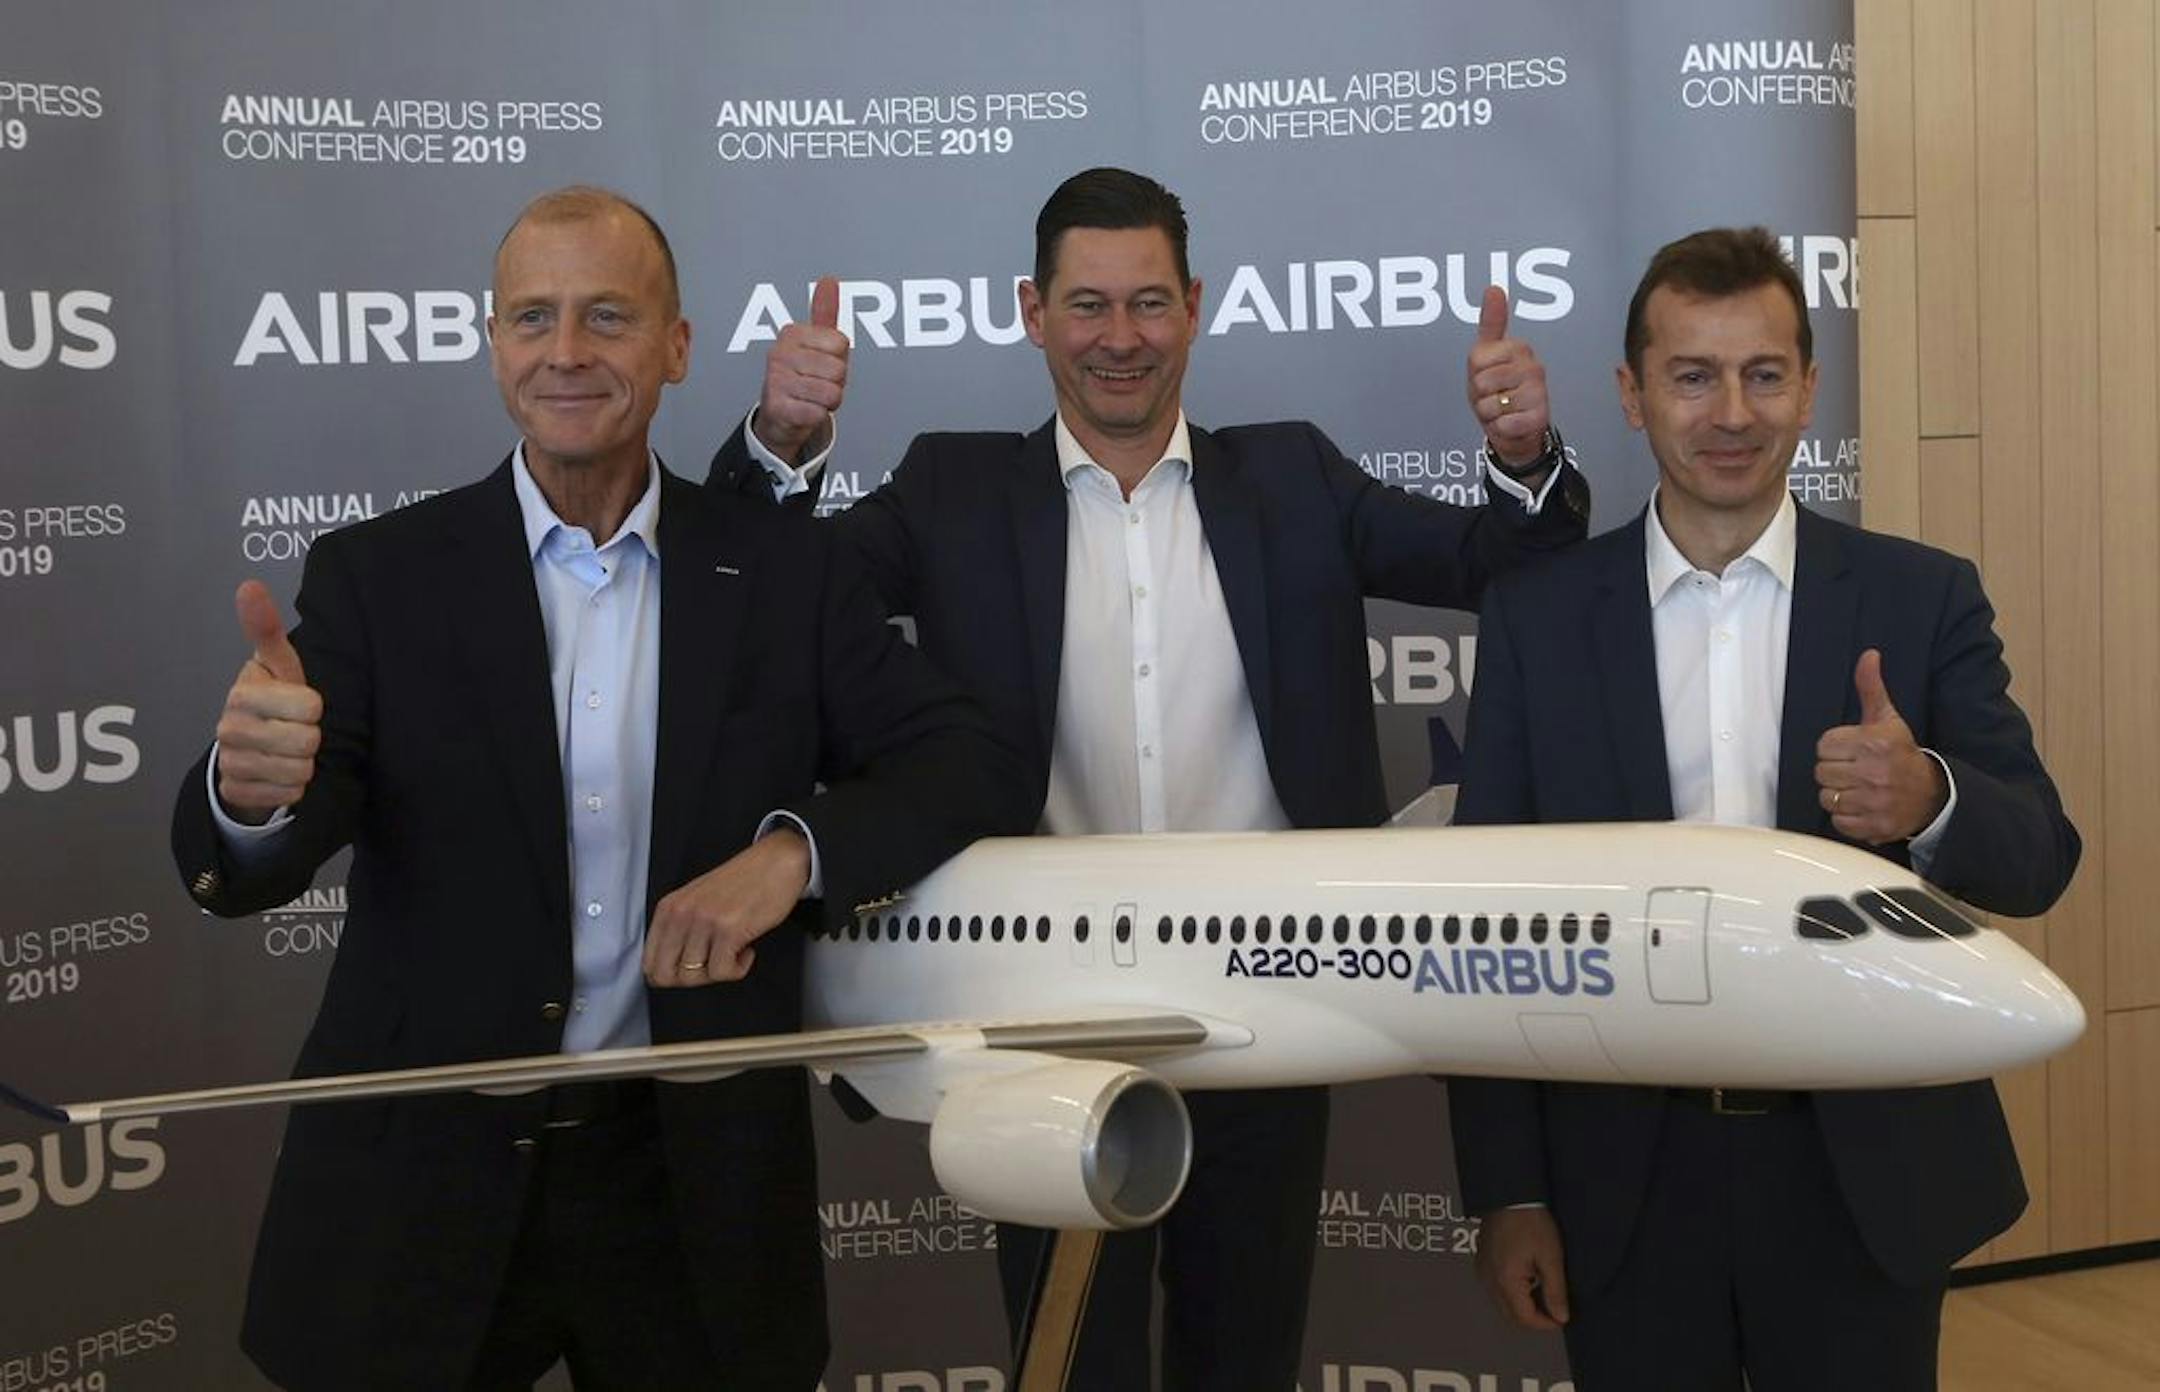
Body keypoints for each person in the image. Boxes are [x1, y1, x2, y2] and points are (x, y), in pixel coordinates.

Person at [709, 167, 1590, 1391]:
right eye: (1087, 304)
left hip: (1271, 1008)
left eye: (1147, 303)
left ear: (1195, 307)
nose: (1118, 337)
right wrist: (783, 445)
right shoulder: (952, 490)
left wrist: (1523, 455)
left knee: (1247, 1358)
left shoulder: (1294, 478)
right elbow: (765, 597)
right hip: (1039, 1023)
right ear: (1033, 311)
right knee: (1074, 1367)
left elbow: (1509, 563)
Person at [172, 186, 1031, 1391]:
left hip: (690, 1190)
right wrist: (251, 794)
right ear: (494, 346)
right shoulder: (383, 576)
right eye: (533, 318)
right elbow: (270, 840)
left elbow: (971, 757)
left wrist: (792, 854)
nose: (566, 352)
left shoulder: (786, 570)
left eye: (607, 317)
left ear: (676, 348)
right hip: (423, 1188)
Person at [1447, 226, 2081, 1391]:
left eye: (1764, 374)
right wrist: (1511, 1189)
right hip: (1622, 1177)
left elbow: (2041, 857)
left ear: (1809, 388)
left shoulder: (1923, 596)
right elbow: (1486, 923)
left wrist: (1929, 796)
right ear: (1633, 395)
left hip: (1863, 1172)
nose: (1732, 413)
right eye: (1694, 376)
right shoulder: (1538, 618)